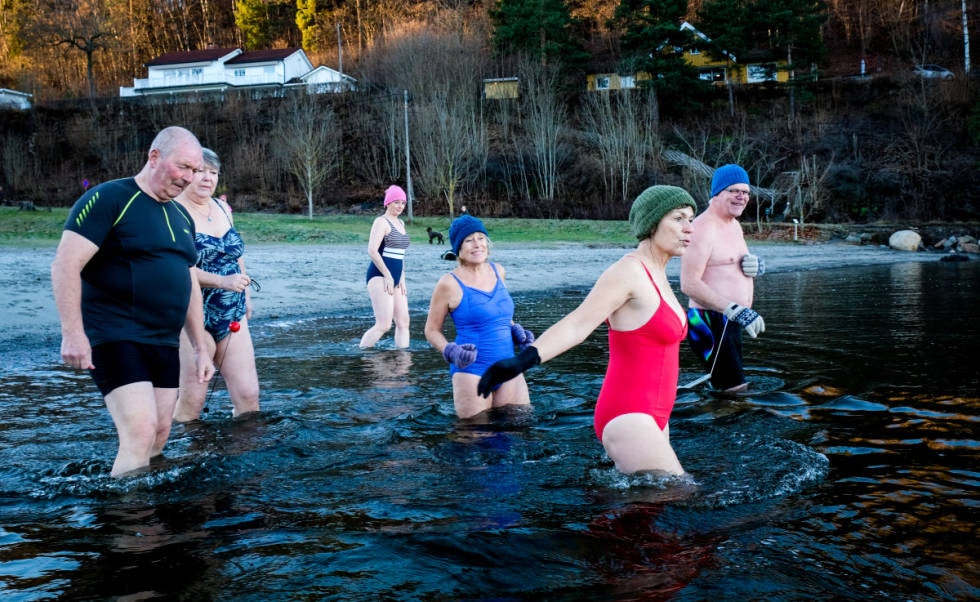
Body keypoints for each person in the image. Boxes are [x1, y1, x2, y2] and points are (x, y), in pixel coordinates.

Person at [477, 186, 697, 475]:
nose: (689, 228)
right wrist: (522, 361)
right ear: (652, 223)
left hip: (657, 414)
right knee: (680, 495)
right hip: (628, 414)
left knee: (648, 514)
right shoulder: (628, 272)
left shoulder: (660, 274)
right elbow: (577, 324)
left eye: (691, 219)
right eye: (678, 218)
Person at [51, 126, 214, 477]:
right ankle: (129, 523)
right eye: (184, 167)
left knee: (159, 432)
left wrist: (201, 347)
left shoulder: (180, 215)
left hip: (164, 341)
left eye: (196, 171)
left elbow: (186, 281)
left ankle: (148, 511)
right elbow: (65, 263)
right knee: (139, 432)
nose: (190, 178)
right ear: (154, 157)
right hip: (115, 333)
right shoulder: (109, 198)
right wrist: (73, 333)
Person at [173, 148, 260, 422]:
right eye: (199, 171)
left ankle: (242, 457)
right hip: (189, 315)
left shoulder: (223, 208)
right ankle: (184, 459)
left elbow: (236, 254)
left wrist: (245, 295)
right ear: (187, 174)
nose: (207, 178)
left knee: (248, 395)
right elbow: (176, 268)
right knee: (193, 401)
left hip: (231, 312)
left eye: (213, 172)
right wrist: (223, 281)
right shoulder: (173, 210)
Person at [425, 214, 536, 419]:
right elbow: (431, 330)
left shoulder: (499, 271)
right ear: (458, 248)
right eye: (468, 240)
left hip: (509, 366)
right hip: (471, 370)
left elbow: (499, 314)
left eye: (480, 238)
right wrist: (451, 350)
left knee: (520, 430)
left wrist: (516, 331)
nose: (477, 244)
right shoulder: (448, 284)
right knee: (476, 439)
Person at [679, 164, 766, 396]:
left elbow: (731, 265)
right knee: (734, 392)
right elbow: (688, 284)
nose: (742, 197)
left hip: (731, 320)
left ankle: (714, 417)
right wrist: (733, 308)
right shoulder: (701, 229)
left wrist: (755, 266)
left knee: (728, 388)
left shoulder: (734, 225)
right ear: (716, 194)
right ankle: (714, 428)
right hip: (709, 322)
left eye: (746, 192)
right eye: (734, 191)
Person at [359, 185, 411, 349]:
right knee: (384, 324)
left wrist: (401, 277)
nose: (400, 206)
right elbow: (372, 251)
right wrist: (388, 275)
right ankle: (362, 354)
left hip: (396, 277)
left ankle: (402, 363)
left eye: (403, 203)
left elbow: (399, 254)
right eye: (396, 202)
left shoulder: (401, 223)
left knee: (403, 322)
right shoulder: (381, 221)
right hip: (379, 276)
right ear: (388, 203)